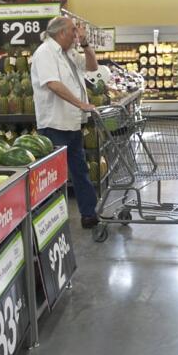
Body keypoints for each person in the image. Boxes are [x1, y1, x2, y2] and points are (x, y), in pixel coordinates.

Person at [31, 17, 101, 228]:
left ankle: (89, 214)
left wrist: (86, 44)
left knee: (80, 171)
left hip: (72, 123)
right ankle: (49, 223)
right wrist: (81, 103)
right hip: (54, 124)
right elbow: (52, 83)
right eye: (73, 31)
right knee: (53, 177)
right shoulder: (45, 53)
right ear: (61, 32)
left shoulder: (69, 53)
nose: (76, 34)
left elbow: (92, 66)